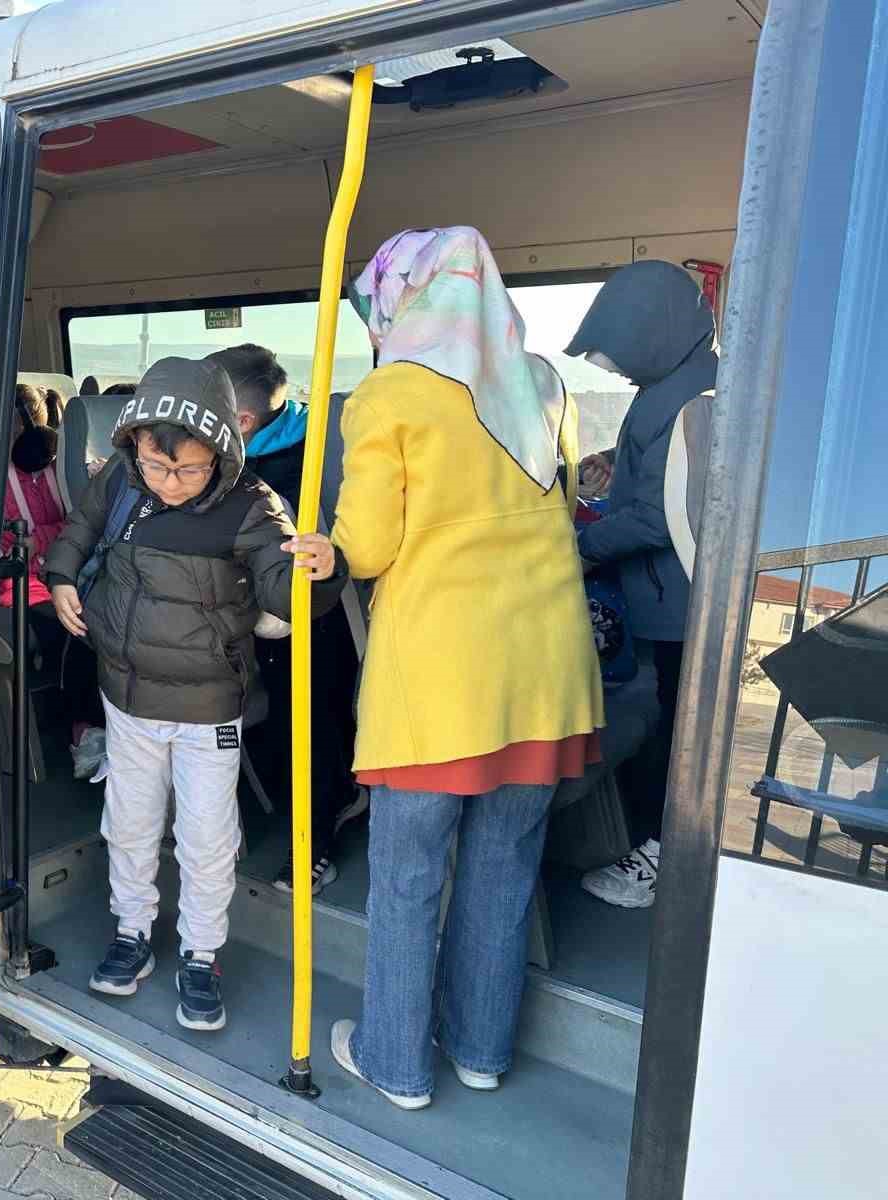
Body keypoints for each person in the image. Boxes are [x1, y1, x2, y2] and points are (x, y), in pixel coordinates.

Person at [326, 228, 603, 1110]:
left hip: (441, 683)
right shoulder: (545, 386)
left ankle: (397, 1063)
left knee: (408, 879)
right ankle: (482, 1051)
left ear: (401, 298)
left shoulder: (389, 393)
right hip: (548, 679)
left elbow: (365, 548)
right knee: (503, 870)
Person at [43, 357, 347, 1032]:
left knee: (207, 838)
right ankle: (131, 933)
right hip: (125, 698)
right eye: (157, 465)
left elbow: (284, 594)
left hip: (210, 708)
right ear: (134, 446)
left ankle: (201, 954)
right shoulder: (121, 482)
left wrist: (321, 574)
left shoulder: (255, 507)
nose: (170, 483)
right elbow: (77, 533)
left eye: (189, 469)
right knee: (129, 823)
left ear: (223, 451)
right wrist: (62, 576)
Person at [566, 261, 717, 910]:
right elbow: (661, 475)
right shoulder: (685, 382)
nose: (619, 370)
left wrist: (579, 548)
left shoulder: (682, 398)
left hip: (678, 605)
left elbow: (662, 515)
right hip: (676, 600)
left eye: (623, 355)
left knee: (677, 735)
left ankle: (661, 857)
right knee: (674, 724)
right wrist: (614, 462)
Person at [205, 344, 364, 894]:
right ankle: (327, 802)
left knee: (302, 724)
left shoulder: (265, 476)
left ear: (241, 421)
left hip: (294, 622)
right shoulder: (330, 437)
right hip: (338, 618)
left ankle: (317, 833)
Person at [0, 384, 105, 776]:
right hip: (20, 584)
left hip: (73, 572)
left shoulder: (66, 467)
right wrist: (44, 539)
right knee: (75, 629)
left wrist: (39, 537)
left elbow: (84, 522)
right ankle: (84, 730)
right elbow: (3, 541)